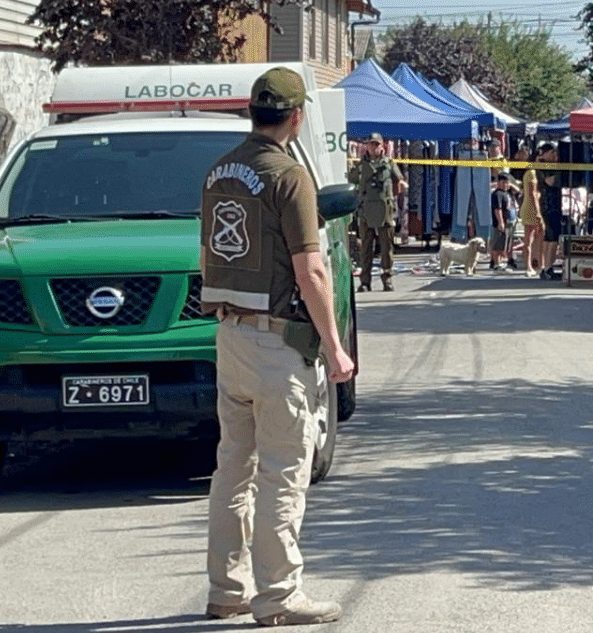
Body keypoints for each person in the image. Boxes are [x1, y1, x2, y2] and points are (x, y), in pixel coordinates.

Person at [199, 67, 355, 627]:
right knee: (284, 473)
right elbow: (311, 269)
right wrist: (335, 346)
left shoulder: (219, 172)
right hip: (276, 340)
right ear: (297, 116)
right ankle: (279, 597)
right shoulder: (289, 175)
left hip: (230, 336)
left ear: (251, 112)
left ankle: (226, 589)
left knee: (231, 470)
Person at [351, 132, 406, 291]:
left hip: (385, 211)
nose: (373, 147)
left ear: (382, 146)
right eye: (371, 144)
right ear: (366, 146)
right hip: (366, 210)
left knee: (386, 247)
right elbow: (352, 180)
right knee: (366, 249)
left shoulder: (389, 164)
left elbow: (400, 181)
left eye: (376, 144)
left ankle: (387, 279)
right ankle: (365, 281)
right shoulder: (361, 166)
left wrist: (398, 189)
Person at [536, 141, 563, 280]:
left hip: (554, 204)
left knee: (550, 237)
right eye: (552, 152)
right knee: (552, 237)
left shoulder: (549, 166)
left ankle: (546, 266)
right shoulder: (542, 166)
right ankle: (547, 267)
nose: (555, 155)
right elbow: (550, 181)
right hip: (549, 204)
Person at [519, 151, 545, 277]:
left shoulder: (530, 172)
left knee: (536, 237)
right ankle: (529, 266)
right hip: (531, 208)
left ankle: (537, 264)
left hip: (528, 206)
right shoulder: (532, 173)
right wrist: (538, 212)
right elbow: (532, 193)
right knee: (529, 239)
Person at [490, 172, 514, 270]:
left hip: (508, 222)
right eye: (504, 182)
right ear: (498, 183)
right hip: (499, 224)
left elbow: (518, 191)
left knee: (504, 244)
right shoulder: (497, 194)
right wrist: (500, 222)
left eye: (508, 183)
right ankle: (496, 263)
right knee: (497, 244)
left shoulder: (506, 193)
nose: (506, 185)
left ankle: (499, 262)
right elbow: (497, 209)